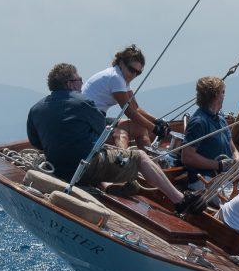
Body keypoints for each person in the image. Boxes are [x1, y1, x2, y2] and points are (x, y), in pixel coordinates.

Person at [27, 63, 197, 212]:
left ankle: (107, 185)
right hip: (85, 167)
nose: (82, 83)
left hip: (57, 168)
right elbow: (101, 131)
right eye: (79, 80)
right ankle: (180, 200)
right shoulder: (82, 102)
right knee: (140, 157)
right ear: (70, 84)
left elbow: (36, 142)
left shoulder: (35, 109)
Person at [81, 45, 166, 149]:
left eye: (138, 73)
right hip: (88, 123)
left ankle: (148, 160)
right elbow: (129, 112)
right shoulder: (116, 78)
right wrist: (155, 129)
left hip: (95, 118)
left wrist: (157, 121)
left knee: (141, 128)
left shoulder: (121, 77)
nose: (134, 75)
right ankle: (125, 161)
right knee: (123, 132)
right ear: (121, 63)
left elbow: (135, 108)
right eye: (131, 70)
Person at [180, 76, 239, 192]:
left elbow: (232, 149)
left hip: (224, 179)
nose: (224, 96)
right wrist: (219, 165)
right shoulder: (199, 122)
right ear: (216, 95)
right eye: (223, 92)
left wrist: (238, 163)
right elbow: (187, 157)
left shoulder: (221, 119)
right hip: (204, 180)